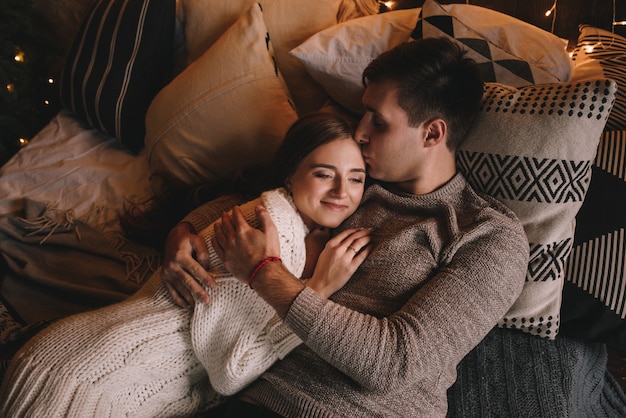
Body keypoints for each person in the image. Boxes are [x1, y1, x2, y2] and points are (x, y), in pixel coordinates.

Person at [161, 37, 530, 417]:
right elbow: (261, 198)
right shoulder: (352, 181)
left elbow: (393, 363)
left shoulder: (487, 236)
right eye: (362, 114)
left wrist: (263, 272)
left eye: (379, 122)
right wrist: (184, 232)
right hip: (249, 393)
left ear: (432, 134)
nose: (360, 132)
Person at [0, 112, 372, 417]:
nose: (343, 192)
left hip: (93, 371)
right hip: (87, 382)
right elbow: (233, 371)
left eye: (356, 178)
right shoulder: (275, 229)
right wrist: (319, 288)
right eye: (324, 174)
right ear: (291, 173)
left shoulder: (292, 222)